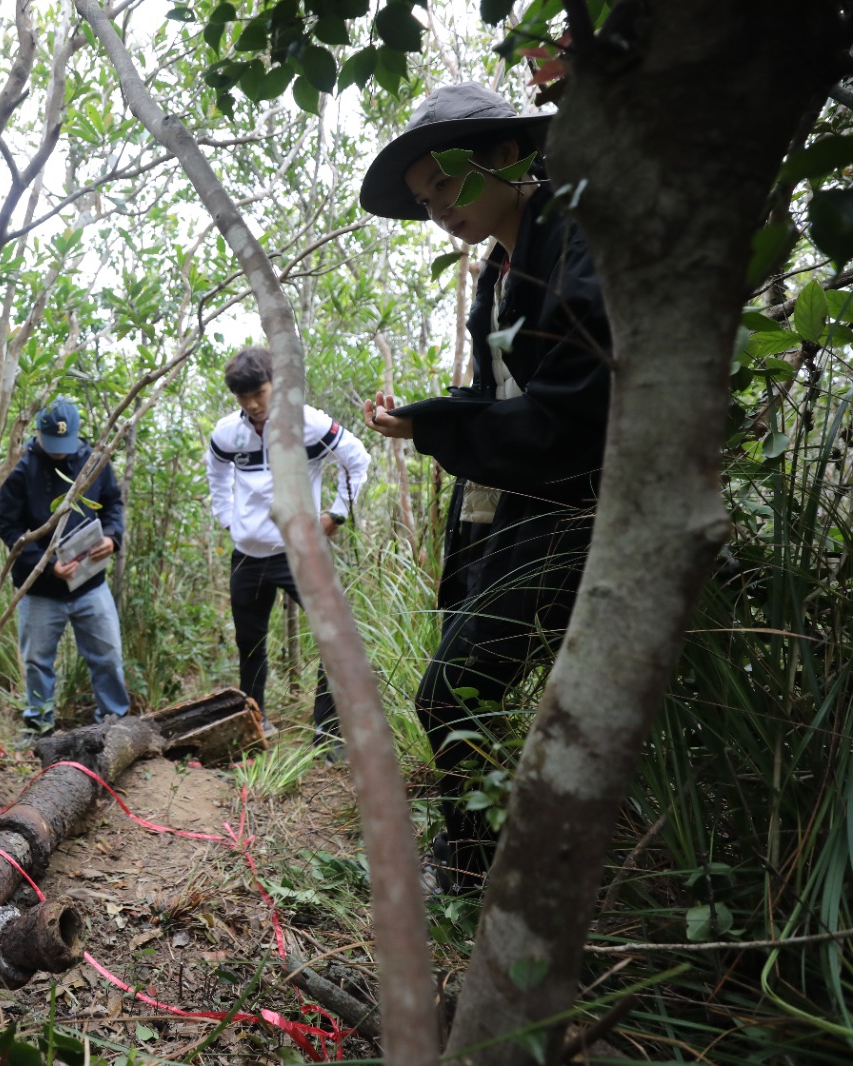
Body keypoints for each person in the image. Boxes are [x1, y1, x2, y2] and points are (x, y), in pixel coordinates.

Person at [358, 83, 612, 893]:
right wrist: (423, 418)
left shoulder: (572, 237)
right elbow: (496, 398)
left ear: (507, 155)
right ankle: (487, 858)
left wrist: (440, 429)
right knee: (469, 688)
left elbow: (574, 406)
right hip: (503, 509)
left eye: (448, 185)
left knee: (453, 692)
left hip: (573, 506)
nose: (439, 211)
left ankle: (474, 870)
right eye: (425, 201)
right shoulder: (495, 279)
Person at [205, 346, 370, 754]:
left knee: (334, 637)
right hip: (248, 556)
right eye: (243, 398)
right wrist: (231, 522)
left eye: (259, 393)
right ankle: (253, 729)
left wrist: (336, 515)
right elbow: (216, 476)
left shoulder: (308, 424)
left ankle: (328, 736)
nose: (253, 404)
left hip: (301, 553)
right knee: (250, 644)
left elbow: (358, 460)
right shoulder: (227, 432)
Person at [0, 398, 129, 738]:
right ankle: (40, 728)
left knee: (108, 655)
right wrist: (46, 565)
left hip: (91, 584)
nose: (59, 452)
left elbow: (113, 503)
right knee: (37, 662)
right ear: (38, 433)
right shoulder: (21, 469)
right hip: (40, 589)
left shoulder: (93, 462)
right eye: (52, 445)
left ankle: (114, 723)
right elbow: (8, 528)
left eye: (65, 444)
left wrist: (113, 537)